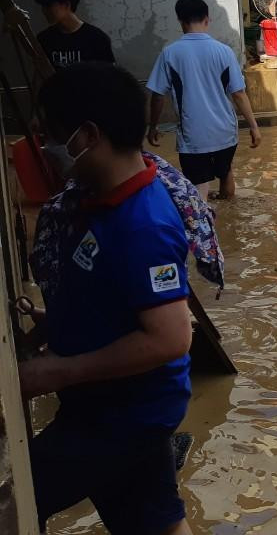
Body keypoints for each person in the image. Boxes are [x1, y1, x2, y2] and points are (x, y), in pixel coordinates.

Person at [21, 62, 195, 535]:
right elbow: (109, 299)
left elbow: (169, 338)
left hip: (122, 418)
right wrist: (51, 322)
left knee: (13, 506)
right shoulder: (98, 200)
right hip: (115, 407)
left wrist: (55, 371)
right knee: (153, 522)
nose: (45, 147)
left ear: (87, 136)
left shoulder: (143, 225)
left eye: (51, 134)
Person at [146, 0, 261, 201]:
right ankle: (229, 217)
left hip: (193, 135)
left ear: (180, 21)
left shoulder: (170, 53)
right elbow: (238, 93)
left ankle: (206, 228)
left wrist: (153, 127)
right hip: (225, 130)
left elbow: (157, 96)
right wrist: (253, 126)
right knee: (225, 172)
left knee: (199, 188)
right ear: (207, 20)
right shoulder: (224, 51)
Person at [33, 0, 115, 69]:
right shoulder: (44, 39)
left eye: (48, 5)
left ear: (67, 5)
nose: (44, 11)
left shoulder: (97, 39)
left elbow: (109, 78)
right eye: (43, 6)